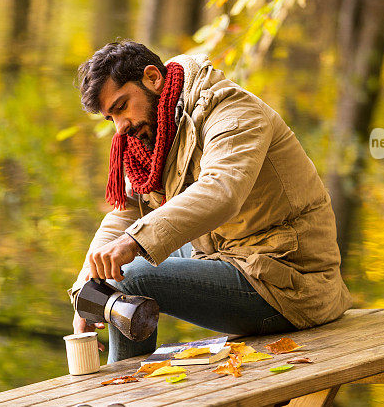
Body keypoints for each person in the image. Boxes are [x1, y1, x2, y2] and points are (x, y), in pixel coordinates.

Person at [68, 40, 351, 362]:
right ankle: (125, 386)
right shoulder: (155, 135)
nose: (120, 128)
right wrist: (87, 291)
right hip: (226, 254)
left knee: (131, 276)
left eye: (121, 107)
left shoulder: (233, 112)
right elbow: (127, 213)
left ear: (152, 78)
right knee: (113, 272)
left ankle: (122, 391)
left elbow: (222, 190)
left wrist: (132, 244)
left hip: (288, 281)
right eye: (110, 118)